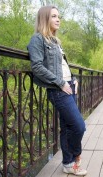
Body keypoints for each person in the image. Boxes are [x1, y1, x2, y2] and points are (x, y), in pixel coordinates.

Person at [27, 5, 87, 176]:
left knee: (67, 127)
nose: (58, 19)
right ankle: (76, 157)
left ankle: (67, 164)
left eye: (58, 16)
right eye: (54, 16)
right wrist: (60, 83)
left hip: (69, 86)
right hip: (59, 89)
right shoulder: (37, 39)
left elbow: (63, 65)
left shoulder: (54, 41)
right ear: (45, 19)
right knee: (79, 126)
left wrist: (73, 79)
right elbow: (37, 67)